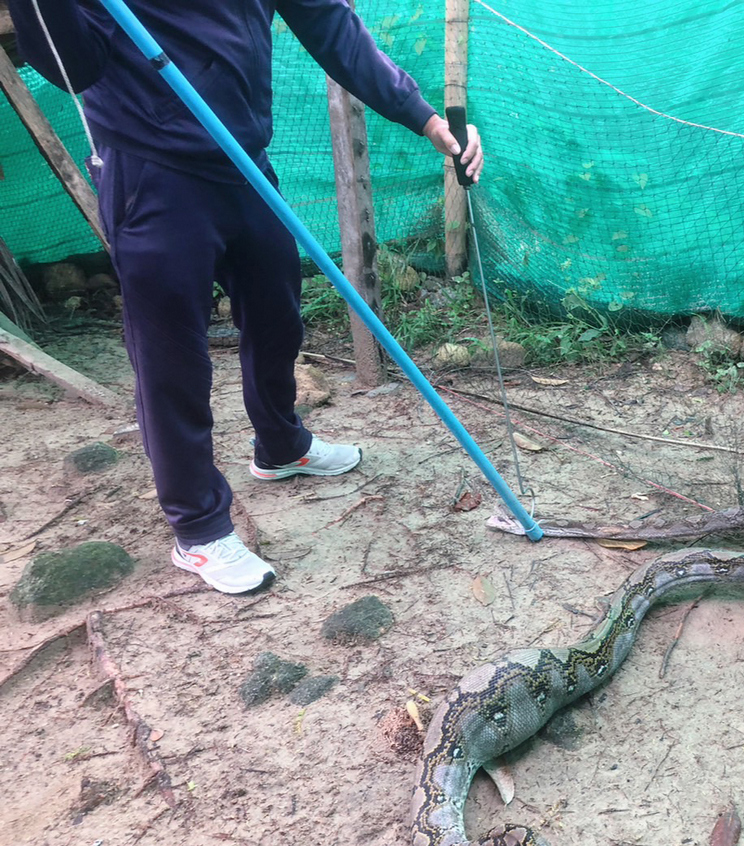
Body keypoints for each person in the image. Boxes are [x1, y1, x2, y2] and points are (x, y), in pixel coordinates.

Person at [11, 1, 482, 594]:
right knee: (172, 359)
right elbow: (72, 66)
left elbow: (330, 24)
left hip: (244, 162)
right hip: (152, 171)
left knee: (277, 312)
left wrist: (425, 118)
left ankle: (281, 444)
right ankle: (200, 528)